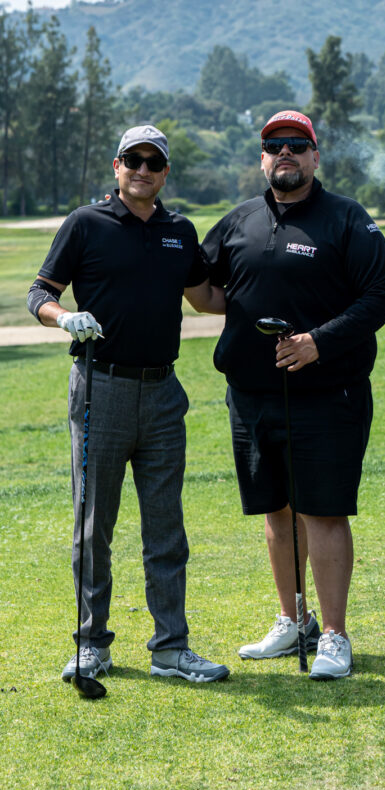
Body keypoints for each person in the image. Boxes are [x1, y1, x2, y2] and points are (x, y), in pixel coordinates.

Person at [28, 124, 229, 684]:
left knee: (167, 526)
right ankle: (92, 643)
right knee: (95, 524)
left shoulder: (179, 230)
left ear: (165, 172)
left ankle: (171, 648)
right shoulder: (86, 223)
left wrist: (272, 299)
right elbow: (40, 293)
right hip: (101, 387)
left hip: (164, 393)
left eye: (153, 162)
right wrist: (63, 316)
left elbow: (206, 296)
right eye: (132, 160)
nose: (143, 169)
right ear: (116, 166)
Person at [202, 110, 385, 681]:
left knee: (323, 510)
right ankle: (293, 621)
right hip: (252, 394)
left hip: (326, 391)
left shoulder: (347, 220)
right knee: (276, 510)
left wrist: (318, 342)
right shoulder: (238, 220)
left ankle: (334, 634)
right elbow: (209, 293)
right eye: (273, 146)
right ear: (261, 159)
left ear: (315, 156)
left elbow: (379, 297)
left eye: (296, 145)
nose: (284, 153)